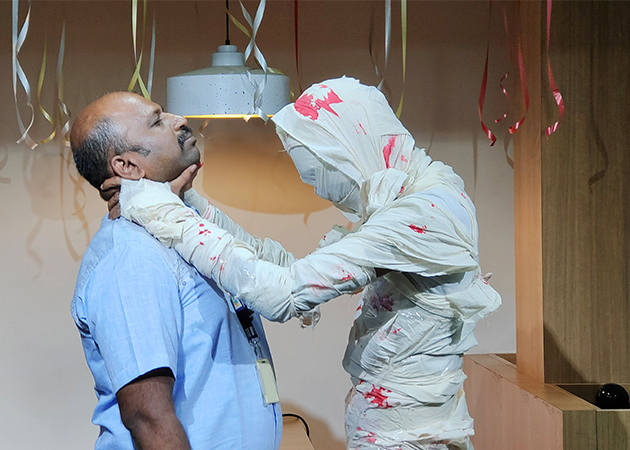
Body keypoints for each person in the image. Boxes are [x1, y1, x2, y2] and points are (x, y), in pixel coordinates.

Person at [114, 77, 502, 450]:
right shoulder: (408, 199)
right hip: (396, 429)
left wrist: (165, 214)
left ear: (349, 146)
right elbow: (290, 268)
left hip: (412, 437)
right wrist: (191, 206)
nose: (314, 187)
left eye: (316, 172)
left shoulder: (425, 213)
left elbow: (284, 293)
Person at [69, 92, 282, 450]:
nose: (179, 120)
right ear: (127, 167)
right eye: (157, 121)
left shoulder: (182, 231)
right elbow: (148, 417)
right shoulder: (132, 256)